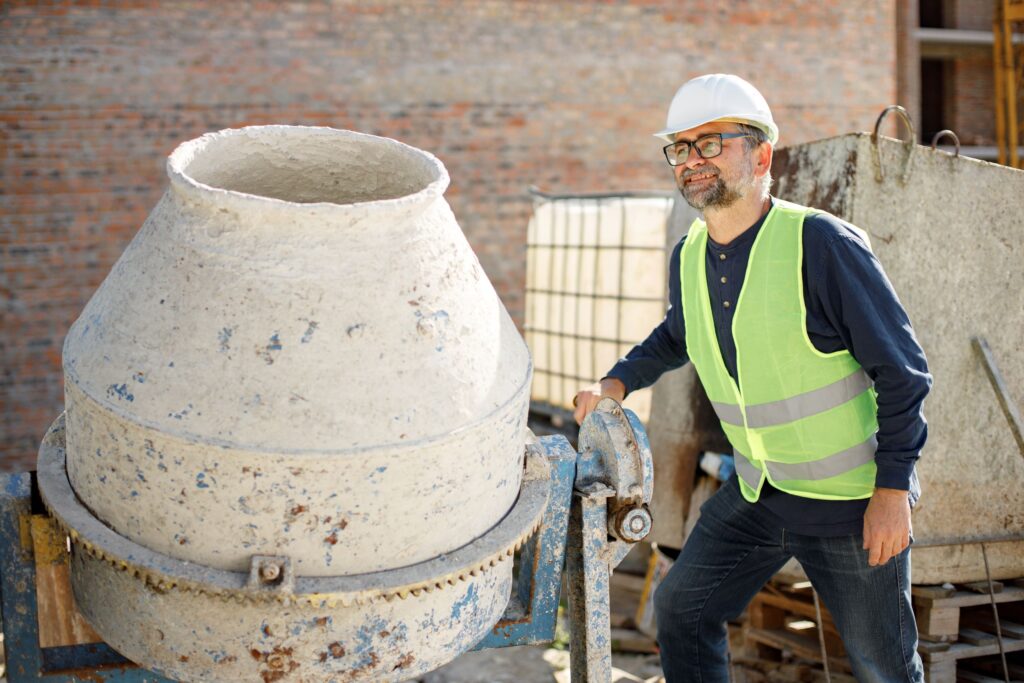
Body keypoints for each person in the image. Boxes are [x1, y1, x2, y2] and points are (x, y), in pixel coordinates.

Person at [573, 74, 931, 682]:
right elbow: (677, 334)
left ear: (761, 154)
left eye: (711, 143)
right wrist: (616, 383)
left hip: (850, 503)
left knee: (884, 667)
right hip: (760, 492)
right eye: (681, 148)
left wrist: (892, 493)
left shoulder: (820, 244)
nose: (692, 160)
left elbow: (903, 373)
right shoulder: (689, 253)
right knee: (682, 608)